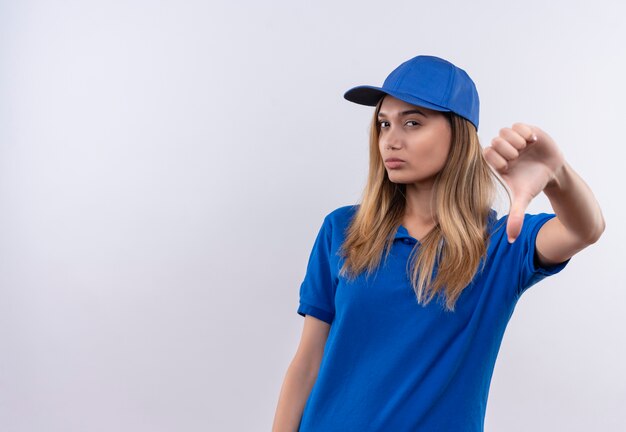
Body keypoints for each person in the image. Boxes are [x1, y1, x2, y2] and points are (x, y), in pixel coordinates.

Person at [271, 55, 605, 432]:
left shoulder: (499, 244)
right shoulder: (343, 229)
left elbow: (585, 229)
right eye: (384, 124)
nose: (391, 140)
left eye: (412, 123)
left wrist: (557, 176)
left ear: (458, 133)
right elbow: (307, 362)